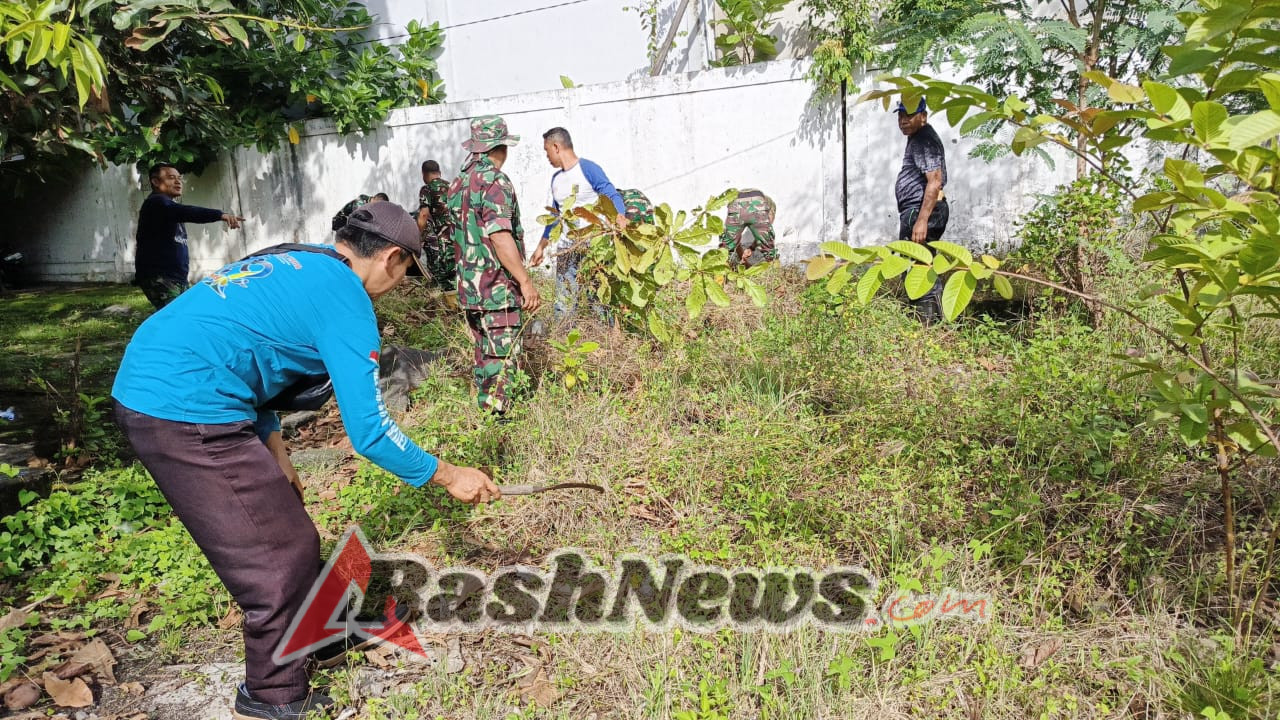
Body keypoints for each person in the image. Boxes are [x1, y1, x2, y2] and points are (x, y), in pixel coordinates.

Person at [111, 201, 500, 720]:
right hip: (183, 406)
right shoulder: (347, 303)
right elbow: (370, 433)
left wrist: (276, 447)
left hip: (174, 378)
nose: (402, 282)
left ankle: (329, 630)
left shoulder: (303, 260)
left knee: (286, 527)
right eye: (407, 270)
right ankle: (270, 696)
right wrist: (450, 475)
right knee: (276, 556)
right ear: (389, 258)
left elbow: (257, 351)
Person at [446, 115, 541, 415]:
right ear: (501, 147)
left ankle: (485, 414)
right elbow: (499, 236)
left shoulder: (458, 183)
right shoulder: (495, 181)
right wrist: (525, 281)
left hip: (470, 290)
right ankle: (500, 429)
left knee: (485, 355)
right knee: (503, 360)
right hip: (496, 289)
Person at [528, 127, 628, 320]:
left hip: (593, 249)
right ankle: (564, 344)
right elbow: (556, 218)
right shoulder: (556, 180)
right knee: (563, 305)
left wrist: (620, 218)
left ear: (556, 147)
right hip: (567, 250)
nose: (547, 156)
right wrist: (541, 247)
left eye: (547, 151)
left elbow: (612, 194)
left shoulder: (588, 169)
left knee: (598, 302)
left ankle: (604, 345)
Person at [134, 163, 244, 310]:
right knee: (177, 318)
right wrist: (220, 215)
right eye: (171, 178)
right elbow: (189, 212)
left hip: (175, 277)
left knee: (185, 316)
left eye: (179, 178)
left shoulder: (169, 207)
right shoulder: (156, 203)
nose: (178, 182)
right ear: (155, 182)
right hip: (160, 277)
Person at [894, 98, 950, 325]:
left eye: (909, 115)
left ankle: (925, 325)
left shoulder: (924, 140)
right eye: (900, 116)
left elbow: (934, 182)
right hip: (918, 210)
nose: (903, 121)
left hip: (921, 211)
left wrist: (921, 220)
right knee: (923, 265)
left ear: (923, 116)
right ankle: (936, 321)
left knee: (916, 267)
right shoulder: (918, 138)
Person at [416, 160, 456, 292]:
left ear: (424, 174)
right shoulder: (452, 186)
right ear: (439, 172)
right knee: (457, 271)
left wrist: (418, 237)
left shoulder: (427, 189)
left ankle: (449, 304)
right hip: (459, 235)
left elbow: (423, 215)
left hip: (444, 237)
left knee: (444, 274)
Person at [720, 189, 778, 268]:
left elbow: (735, 241)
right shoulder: (768, 205)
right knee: (770, 252)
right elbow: (764, 235)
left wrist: (750, 249)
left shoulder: (742, 203)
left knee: (724, 251)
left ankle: (718, 279)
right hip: (757, 200)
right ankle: (775, 277)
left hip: (734, 202)